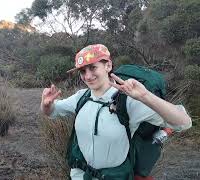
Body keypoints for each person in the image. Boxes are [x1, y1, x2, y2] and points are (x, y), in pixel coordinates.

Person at [40, 44, 192, 180]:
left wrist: (145, 96)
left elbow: (184, 123)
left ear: (108, 66)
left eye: (93, 68)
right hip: (80, 175)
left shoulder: (128, 101)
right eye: (82, 71)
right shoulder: (81, 97)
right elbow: (52, 111)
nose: (87, 76)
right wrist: (46, 105)